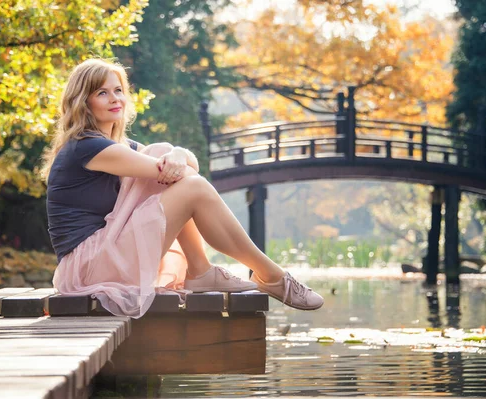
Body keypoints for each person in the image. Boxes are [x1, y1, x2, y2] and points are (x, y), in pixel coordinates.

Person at [42, 58, 323, 318]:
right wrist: (176, 158)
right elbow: (176, 174)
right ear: (83, 102)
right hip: (89, 266)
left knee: (163, 153)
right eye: (102, 93)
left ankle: (201, 270)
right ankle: (271, 275)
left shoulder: (115, 147)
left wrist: (177, 152)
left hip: (101, 256)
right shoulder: (87, 147)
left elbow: (186, 166)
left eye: (118, 90)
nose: (115, 98)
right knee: (190, 186)